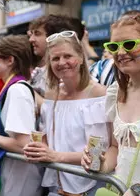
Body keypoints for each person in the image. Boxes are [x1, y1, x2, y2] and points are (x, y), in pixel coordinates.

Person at [24, 30, 107, 195]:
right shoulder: (51, 95)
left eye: (68, 56)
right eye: (55, 58)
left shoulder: (98, 95)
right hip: (56, 188)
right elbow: (48, 140)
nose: (62, 62)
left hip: (88, 188)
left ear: (81, 58)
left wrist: (55, 156)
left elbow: (98, 154)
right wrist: (37, 149)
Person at [82, 11, 140, 189]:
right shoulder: (115, 93)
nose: (121, 52)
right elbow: (116, 148)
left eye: (130, 44)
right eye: (114, 46)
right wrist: (101, 164)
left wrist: (138, 190)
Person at [0, 35, 42, 196]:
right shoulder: (12, 88)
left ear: (10, 60)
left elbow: (22, 145)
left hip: (19, 180)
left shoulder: (17, 90)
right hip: (11, 175)